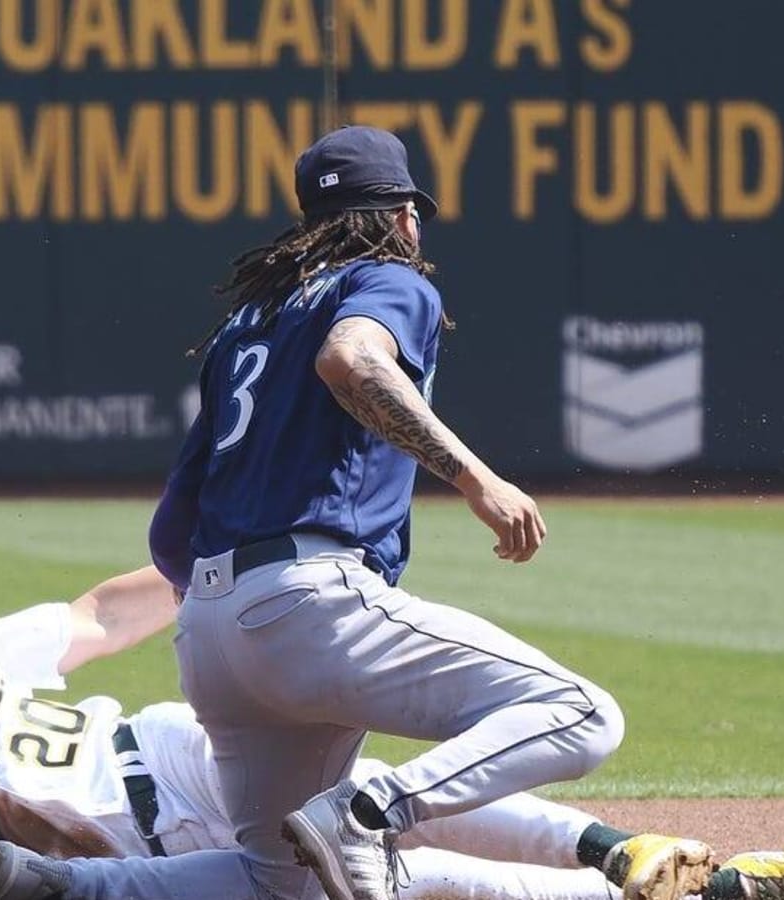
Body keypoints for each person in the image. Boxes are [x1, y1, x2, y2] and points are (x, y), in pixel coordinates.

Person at [142, 124, 713, 900]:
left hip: (208, 631)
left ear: (310, 225)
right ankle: (369, 812)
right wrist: (476, 478)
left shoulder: (244, 325)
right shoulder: (391, 279)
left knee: (277, 884)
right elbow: (351, 358)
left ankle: (48, 881)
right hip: (307, 604)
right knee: (580, 714)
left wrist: (224, 613)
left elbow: (169, 531)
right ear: (406, 215)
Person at [0, 570, 784, 900]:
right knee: (402, 873)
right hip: (145, 860)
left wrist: (213, 562)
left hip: (168, 745)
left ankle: (621, 850)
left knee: (386, 800)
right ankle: (721, 888)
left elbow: (95, 616)